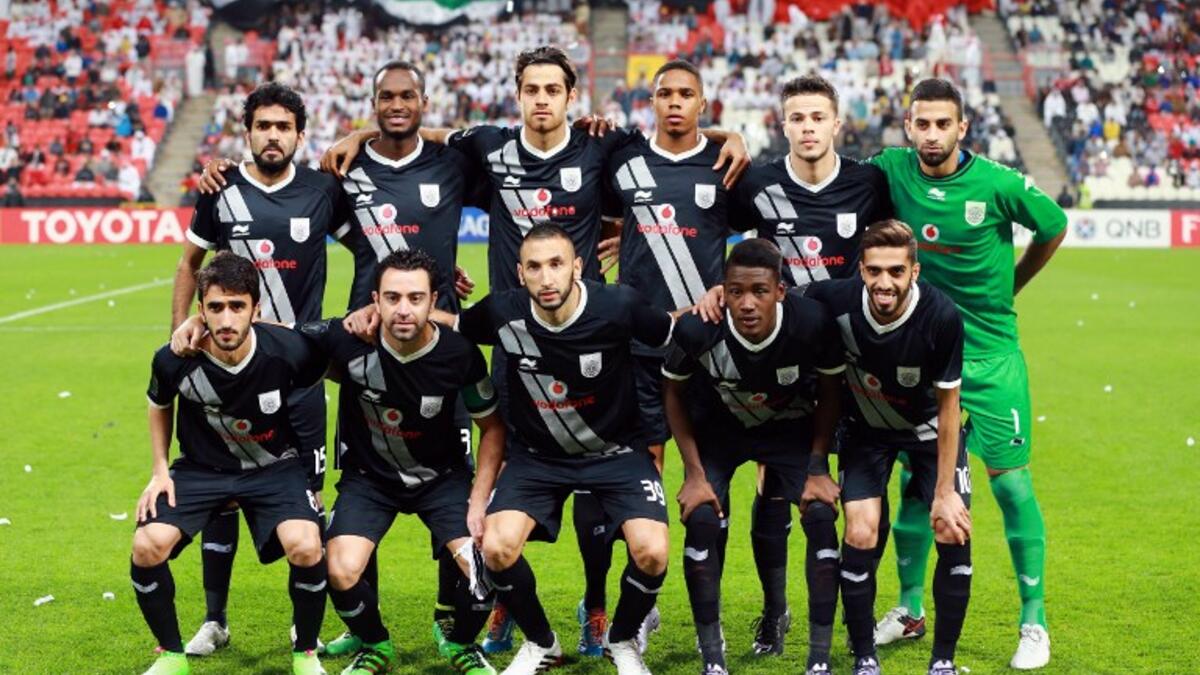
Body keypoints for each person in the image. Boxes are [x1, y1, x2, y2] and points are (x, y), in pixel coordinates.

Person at [320, 45, 748, 657]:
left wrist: (725, 131)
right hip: (516, 339)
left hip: (594, 339)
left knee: (605, 489)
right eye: (532, 89)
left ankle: (597, 606)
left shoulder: (602, 146)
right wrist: (365, 131)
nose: (542, 99)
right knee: (517, 479)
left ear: (572, 96)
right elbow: (420, 131)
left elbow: (672, 137)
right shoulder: (489, 147)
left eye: (554, 89)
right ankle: (503, 606)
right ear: (517, 95)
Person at [869, 78, 1066, 669]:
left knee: (1009, 484)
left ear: (963, 128)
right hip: (922, 363)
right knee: (917, 487)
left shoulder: (998, 183)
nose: (931, 135)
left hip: (990, 358)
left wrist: (1014, 284)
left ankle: (1034, 620)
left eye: (942, 124)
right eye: (921, 124)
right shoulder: (890, 171)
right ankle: (908, 609)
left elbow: (1053, 223)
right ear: (908, 126)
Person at [439, 224, 678, 675]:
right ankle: (541, 643)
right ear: (520, 273)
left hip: (617, 453)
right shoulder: (503, 312)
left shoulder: (618, 305)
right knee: (497, 548)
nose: (546, 278)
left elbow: (672, 333)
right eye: (534, 267)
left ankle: (623, 639)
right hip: (537, 458)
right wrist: (389, 315)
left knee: (652, 552)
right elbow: (456, 324)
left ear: (578, 268)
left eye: (556, 265)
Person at [169, 81, 353, 657]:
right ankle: (215, 620)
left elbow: (369, 251)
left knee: (307, 501)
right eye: (263, 126)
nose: (273, 136)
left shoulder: (324, 189)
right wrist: (179, 331)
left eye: (283, 127)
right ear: (247, 132)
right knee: (219, 492)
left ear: (299, 134)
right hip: (227, 375)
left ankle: (306, 628)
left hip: (299, 376)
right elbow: (188, 263)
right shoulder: (221, 190)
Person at [728, 73, 893, 657]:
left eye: (817, 117)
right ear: (783, 125)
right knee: (774, 490)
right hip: (784, 368)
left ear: (836, 124)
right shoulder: (758, 185)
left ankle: (858, 616)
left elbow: (900, 248)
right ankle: (775, 613)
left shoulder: (868, 183)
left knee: (860, 495)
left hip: (855, 363)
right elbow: (702, 233)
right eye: (796, 118)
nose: (807, 128)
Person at [297, 250, 505, 675]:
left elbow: (494, 428)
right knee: (339, 569)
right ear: (376, 300)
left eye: (415, 298)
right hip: (369, 481)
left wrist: (479, 499)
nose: (403, 309)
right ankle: (375, 644)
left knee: (485, 569)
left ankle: (460, 643)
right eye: (392, 298)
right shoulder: (347, 339)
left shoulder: (459, 353)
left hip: (441, 479)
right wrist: (198, 323)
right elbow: (270, 335)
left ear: (433, 302)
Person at [587, 57, 731, 656]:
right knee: (634, 479)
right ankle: (628, 608)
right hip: (637, 350)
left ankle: (709, 612)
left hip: (706, 350)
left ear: (703, 102)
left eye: (686, 94)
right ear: (651, 100)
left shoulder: (726, 166)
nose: (675, 102)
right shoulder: (622, 158)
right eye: (665, 93)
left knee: (710, 481)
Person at [133, 252, 328, 675]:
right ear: (200, 310)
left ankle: (306, 654)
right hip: (203, 470)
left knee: (307, 544)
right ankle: (170, 656)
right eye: (215, 307)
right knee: (147, 546)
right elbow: (157, 404)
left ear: (256, 309)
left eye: (237, 306)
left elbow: (316, 398)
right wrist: (159, 469)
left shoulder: (290, 351)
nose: (226, 320)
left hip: (275, 467)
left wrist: (314, 476)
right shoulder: (174, 357)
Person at [663, 239, 844, 675]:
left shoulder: (812, 324)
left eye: (760, 291)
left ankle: (814, 655)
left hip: (789, 431)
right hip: (720, 431)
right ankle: (713, 658)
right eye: (736, 292)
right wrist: (692, 472)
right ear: (721, 291)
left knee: (820, 514)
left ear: (780, 291)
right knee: (703, 517)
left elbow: (832, 393)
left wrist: (819, 466)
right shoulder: (698, 329)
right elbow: (672, 391)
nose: (747, 303)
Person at [805, 220, 973, 675]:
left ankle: (943, 661)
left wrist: (944, 491)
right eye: (875, 270)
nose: (884, 282)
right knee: (860, 531)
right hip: (867, 431)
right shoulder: (833, 301)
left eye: (896, 271)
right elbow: (773, 295)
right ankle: (864, 657)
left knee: (951, 527)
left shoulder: (940, 316)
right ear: (860, 270)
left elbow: (950, 405)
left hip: (929, 432)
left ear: (914, 272)